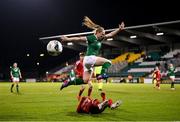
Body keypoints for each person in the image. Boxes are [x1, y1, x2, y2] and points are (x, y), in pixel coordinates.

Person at [61, 16, 125, 98]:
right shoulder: (92, 37)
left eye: (104, 34)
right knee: (108, 62)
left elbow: (111, 34)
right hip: (89, 58)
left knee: (85, 81)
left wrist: (119, 29)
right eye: (102, 34)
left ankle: (68, 82)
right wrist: (67, 39)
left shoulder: (100, 39)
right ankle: (101, 75)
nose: (103, 35)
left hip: (88, 63)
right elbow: (79, 38)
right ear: (97, 32)